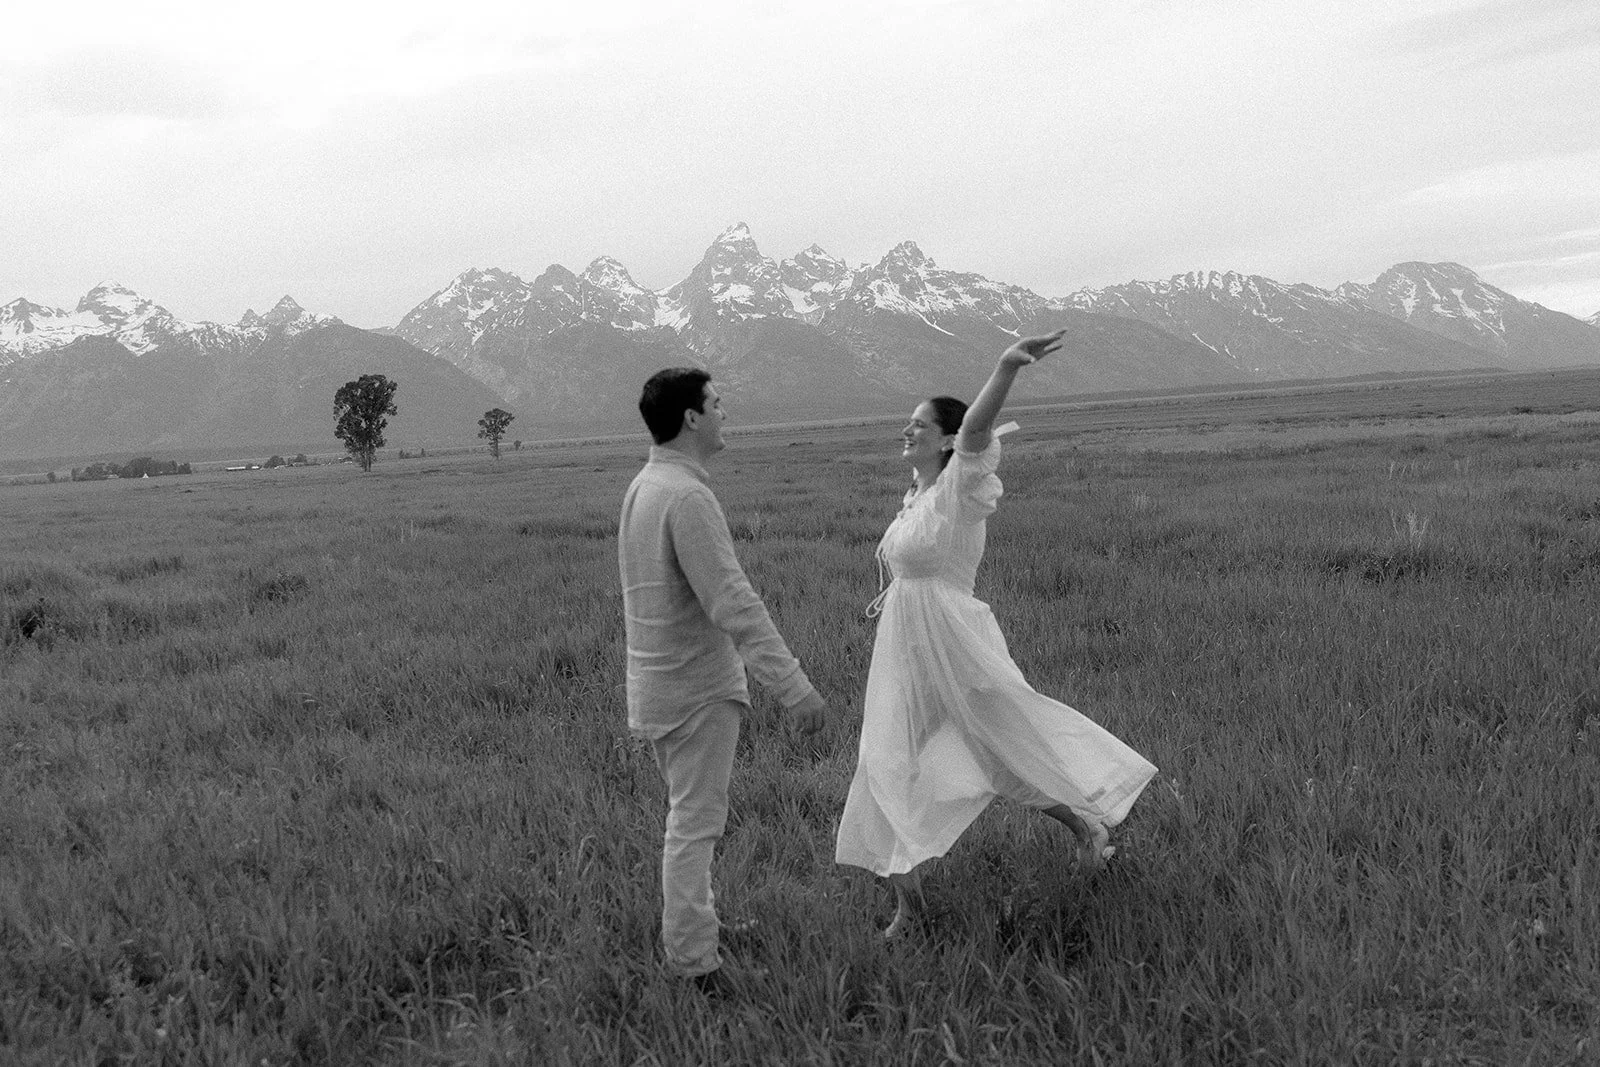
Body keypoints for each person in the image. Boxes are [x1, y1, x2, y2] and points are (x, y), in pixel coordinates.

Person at [834, 329, 1158, 938]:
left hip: (954, 643)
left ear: (949, 440)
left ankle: (1089, 824)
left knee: (1005, 742)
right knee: (884, 762)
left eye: (919, 426)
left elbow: (979, 430)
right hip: (906, 648)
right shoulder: (919, 495)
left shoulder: (960, 487)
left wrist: (1005, 369)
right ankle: (910, 907)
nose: (906, 433)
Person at [619, 367, 830, 989]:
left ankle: (697, 930)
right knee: (694, 826)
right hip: (693, 691)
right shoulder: (684, 496)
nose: (724, 410)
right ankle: (693, 963)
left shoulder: (646, 485)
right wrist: (794, 687)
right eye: (715, 402)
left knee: (691, 820)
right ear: (691, 417)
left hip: (661, 685)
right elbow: (732, 602)